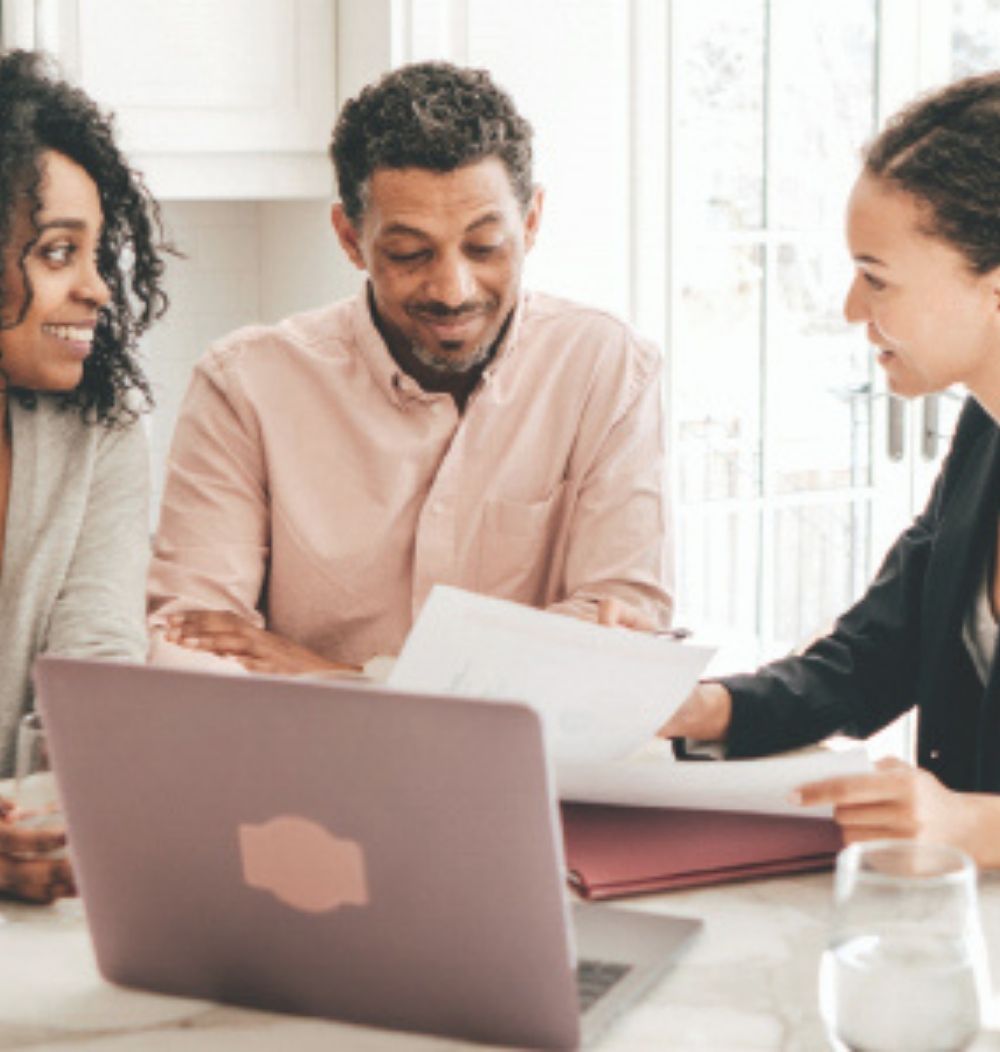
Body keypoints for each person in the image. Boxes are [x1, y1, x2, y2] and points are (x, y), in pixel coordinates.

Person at [148, 61, 672, 674]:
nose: (453, 289)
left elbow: (623, 629)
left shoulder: (609, 372)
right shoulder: (243, 387)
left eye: (484, 247)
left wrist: (340, 677)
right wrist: (518, 665)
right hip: (304, 767)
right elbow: (192, 646)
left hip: (529, 768)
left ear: (530, 223)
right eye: (409, 253)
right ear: (350, 238)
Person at [607, 72, 1000, 870]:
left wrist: (968, 826)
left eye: (877, 275)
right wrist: (695, 707)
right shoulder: (983, 434)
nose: (854, 308)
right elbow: (875, 656)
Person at [0, 50, 168, 901]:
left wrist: (71, 808)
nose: (99, 289)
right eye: (59, 252)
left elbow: (96, 678)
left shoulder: (100, 429)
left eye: (97, 254)